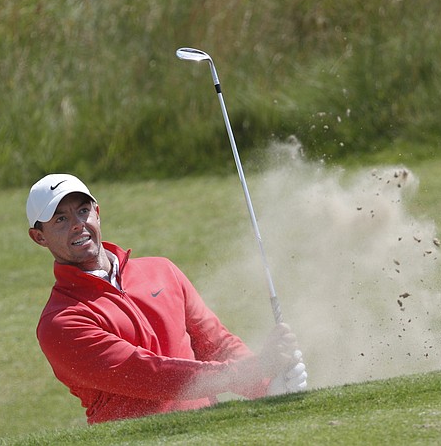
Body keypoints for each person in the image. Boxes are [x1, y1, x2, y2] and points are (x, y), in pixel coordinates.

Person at [26, 173, 307, 424]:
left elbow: (215, 342)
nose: (77, 224)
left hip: (213, 431)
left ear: (97, 213)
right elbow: (151, 374)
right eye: (60, 219)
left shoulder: (162, 271)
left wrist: (266, 384)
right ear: (39, 237)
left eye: (83, 211)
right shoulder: (60, 322)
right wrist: (247, 371)